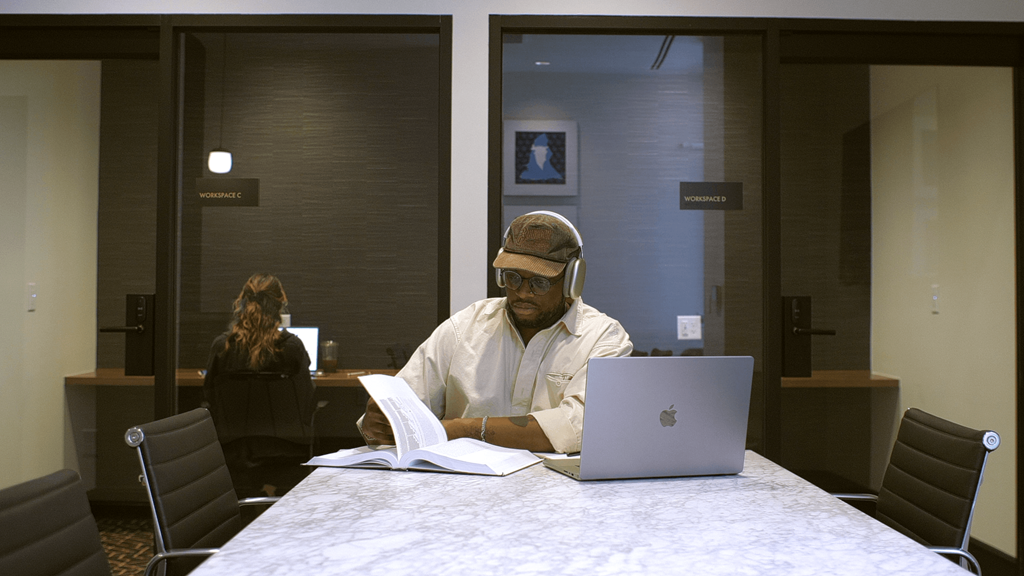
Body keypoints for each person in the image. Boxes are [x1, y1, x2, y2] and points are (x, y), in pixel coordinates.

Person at [360, 211, 632, 453]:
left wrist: (460, 429)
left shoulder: (604, 338)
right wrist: (384, 421)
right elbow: (405, 407)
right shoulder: (466, 326)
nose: (523, 292)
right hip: (464, 483)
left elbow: (578, 428)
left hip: (559, 487)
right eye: (513, 277)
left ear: (572, 281)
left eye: (539, 282)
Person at [203, 272, 315, 422]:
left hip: (232, 434)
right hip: (284, 434)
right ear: (279, 306)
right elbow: (307, 398)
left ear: (242, 303)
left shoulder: (223, 346)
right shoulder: (292, 347)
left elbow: (209, 396)